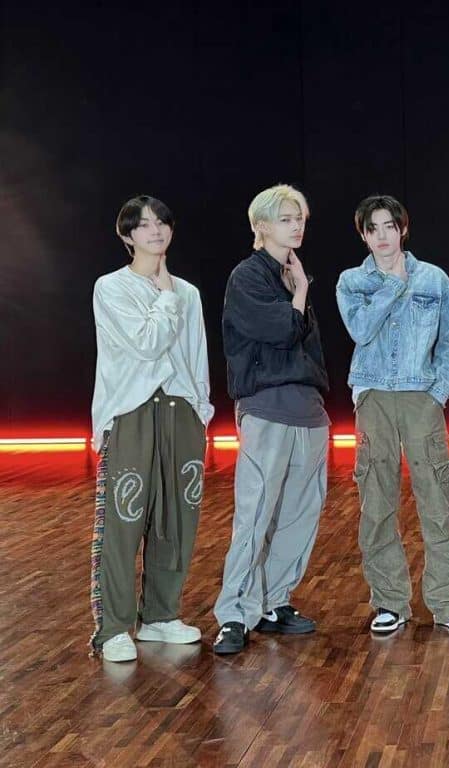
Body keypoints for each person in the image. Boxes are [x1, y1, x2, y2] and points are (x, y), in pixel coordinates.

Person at [337, 194, 449, 635]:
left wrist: (439, 393)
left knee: (437, 501)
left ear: (402, 229)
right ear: (363, 235)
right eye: (372, 228)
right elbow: (360, 330)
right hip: (374, 396)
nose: (382, 236)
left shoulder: (435, 279)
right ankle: (389, 602)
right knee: (376, 504)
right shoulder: (352, 282)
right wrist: (392, 286)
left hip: (421, 397)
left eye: (389, 227)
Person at [90, 195, 213, 662]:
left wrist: (201, 409)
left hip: (181, 411)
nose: (155, 230)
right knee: (125, 519)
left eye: (161, 222)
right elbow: (147, 344)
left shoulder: (189, 293)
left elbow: (195, 355)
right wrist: (164, 297)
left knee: (177, 518)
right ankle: (114, 628)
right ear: (127, 235)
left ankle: (161, 615)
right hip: (131, 411)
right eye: (143, 225)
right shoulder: (112, 288)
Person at [213, 184, 330, 655]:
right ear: (261, 225)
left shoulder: (289, 274)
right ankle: (234, 614)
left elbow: (308, 349)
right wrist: (300, 291)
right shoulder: (247, 277)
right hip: (267, 408)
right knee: (256, 514)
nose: (296, 225)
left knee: (299, 515)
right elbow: (282, 331)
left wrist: (298, 287)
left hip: (308, 411)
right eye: (285, 218)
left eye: (299, 217)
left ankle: (273, 602)